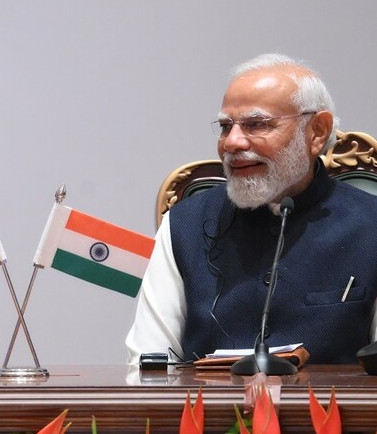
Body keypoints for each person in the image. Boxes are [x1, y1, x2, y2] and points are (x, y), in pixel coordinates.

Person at [126, 53, 377, 365]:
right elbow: (149, 364)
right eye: (225, 126)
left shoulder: (371, 226)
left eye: (256, 124)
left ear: (317, 131)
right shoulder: (183, 224)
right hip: (205, 399)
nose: (232, 143)